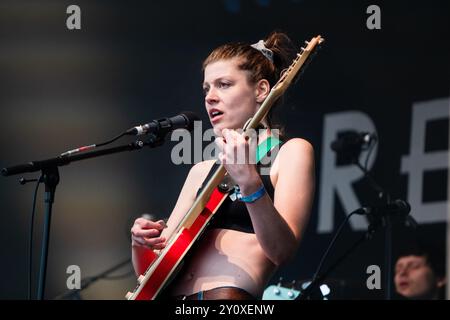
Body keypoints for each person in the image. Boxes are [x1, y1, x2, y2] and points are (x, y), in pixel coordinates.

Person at [130, 31, 315, 300]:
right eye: (207, 88)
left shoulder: (290, 152)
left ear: (262, 90)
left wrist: (250, 182)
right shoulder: (202, 171)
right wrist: (140, 245)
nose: (210, 97)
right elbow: (153, 273)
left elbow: (282, 252)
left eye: (224, 84)